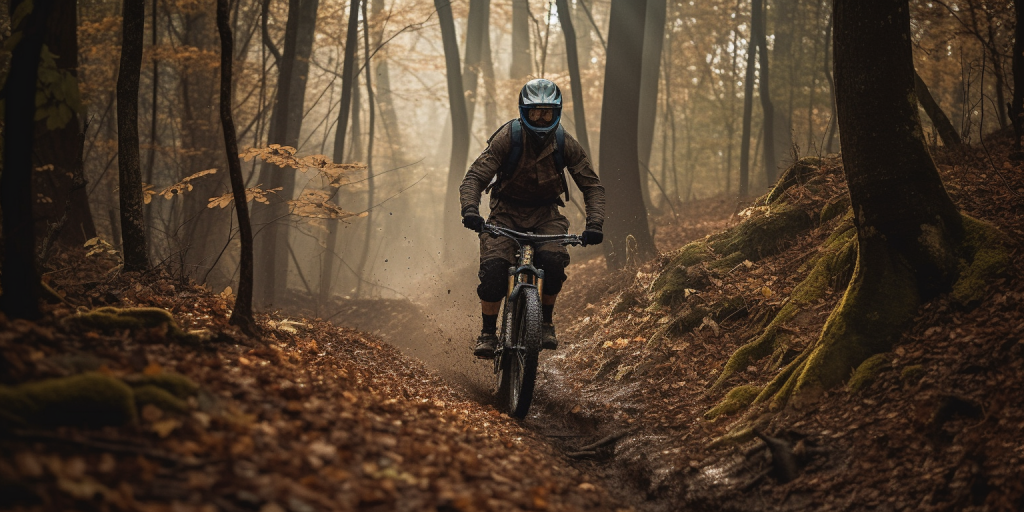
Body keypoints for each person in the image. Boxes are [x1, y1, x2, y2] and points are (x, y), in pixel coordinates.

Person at [460, 79, 606, 359]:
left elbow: (592, 186)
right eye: (535, 112)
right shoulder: (508, 137)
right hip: (504, 214)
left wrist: (595, 224)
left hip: (546, 215)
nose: (540, 118)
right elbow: (475, 177)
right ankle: (488, 333)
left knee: (553, 263)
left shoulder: (564, 142)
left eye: (547, 113)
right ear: (524, 112)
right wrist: (470, 210)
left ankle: (546, 322)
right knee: (493, 271)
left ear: (556, 113)